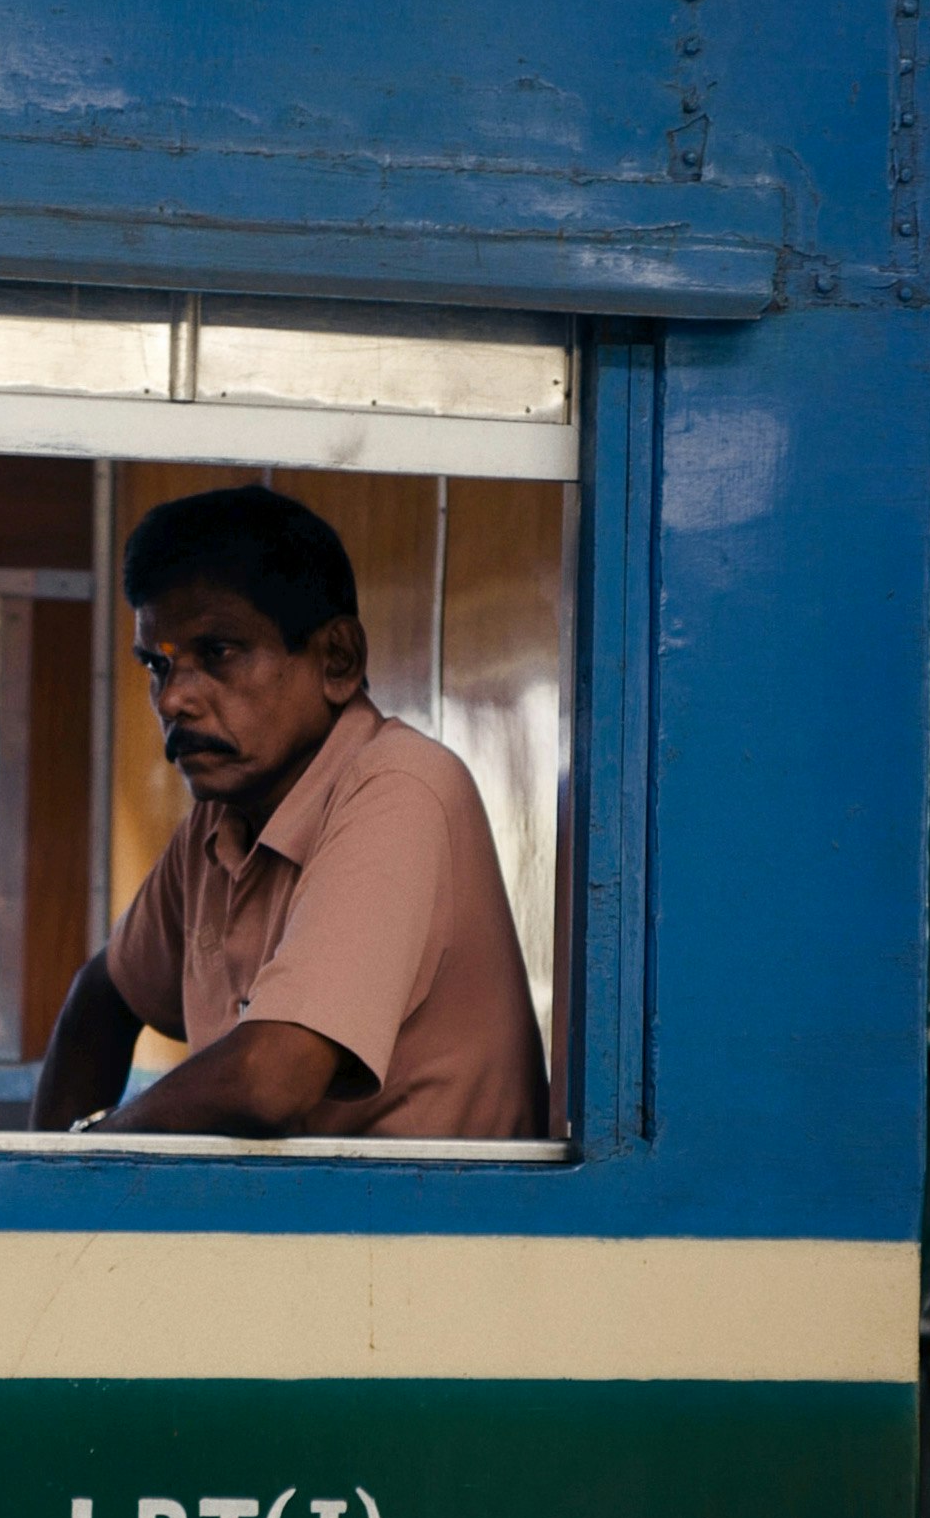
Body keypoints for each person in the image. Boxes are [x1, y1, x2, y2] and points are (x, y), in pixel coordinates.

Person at [32, 484, 549, 1142]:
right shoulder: (220, 822)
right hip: (306, 1238)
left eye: (218, 653)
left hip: (433, 1236)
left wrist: (92, 1165)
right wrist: (42, 1190)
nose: (173, 701)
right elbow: (101, 999)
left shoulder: (400, 786)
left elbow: (271, 1079)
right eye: (158, 666)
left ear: (338, 659)